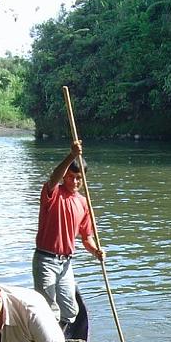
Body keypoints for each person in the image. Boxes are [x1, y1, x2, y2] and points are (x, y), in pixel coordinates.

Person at [32, 140, 104, 330]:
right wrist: (71, 155)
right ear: (65, 176)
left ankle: (59, 337)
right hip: (45, 260)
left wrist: (97, 251)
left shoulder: (83, 203)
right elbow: (54, 177)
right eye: (71, 177)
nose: (75, 182)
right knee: (48, 310)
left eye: (79, 178)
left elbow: (87, 238)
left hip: (66, 263)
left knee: (71, 310)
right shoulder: (53, 193)